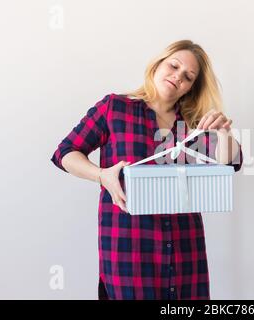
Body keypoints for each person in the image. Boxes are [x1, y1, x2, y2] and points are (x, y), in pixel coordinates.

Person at [51, 40, 243, 299]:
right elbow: (65, 153)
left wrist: (224, 134)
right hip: (129, 248)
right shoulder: (114, 108)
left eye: (188, 77)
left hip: (185, 248)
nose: (178, 77)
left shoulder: (192, 124)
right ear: (157, 65)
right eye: (174, 66)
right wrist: (101, 175)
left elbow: (231, 163)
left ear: (190, 88)